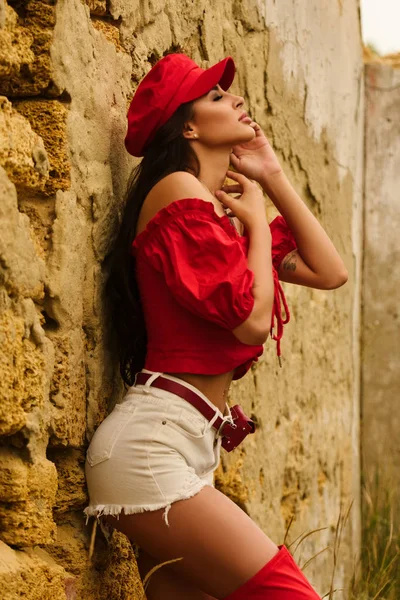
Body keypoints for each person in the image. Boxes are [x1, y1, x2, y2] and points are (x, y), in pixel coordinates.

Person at [84, 53, 348, 599]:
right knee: (291, 593)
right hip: (150, 448)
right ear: (187, 125)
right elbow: (252, 325)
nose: (237, 99)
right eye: (216, 96)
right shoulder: (178, 192)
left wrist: (270, 174)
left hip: (186, 448)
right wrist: (254, 224)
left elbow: (330, 271)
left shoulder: (216, 220)